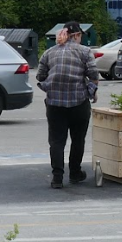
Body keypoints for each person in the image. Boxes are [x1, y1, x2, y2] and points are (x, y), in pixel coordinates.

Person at [34, 21, 98, 189]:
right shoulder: (85, 52)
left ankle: (57, 177)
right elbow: (93, 75)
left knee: (56, 141)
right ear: (76, 35)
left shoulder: (49, 53)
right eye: (80, 36)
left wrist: (52, 83)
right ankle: (75, 173)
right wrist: (91, 92)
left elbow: (40, 76)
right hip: (79, 104)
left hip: (54, 104)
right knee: (78, 139)